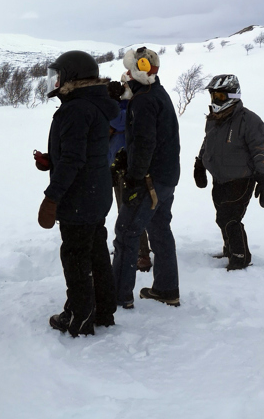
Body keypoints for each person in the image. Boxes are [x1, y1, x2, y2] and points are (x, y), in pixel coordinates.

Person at [35, 50, 119, 337]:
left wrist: (52, 196)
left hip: (79, 196)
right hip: (95, 191)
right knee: (95, 251)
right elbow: (81, 150)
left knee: (75, 256)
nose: (53, 82)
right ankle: (104, 310)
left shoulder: (75, 109)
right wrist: (52, 159)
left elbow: (73, 159)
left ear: (72, 77)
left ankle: (80, 317)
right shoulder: (90, 104)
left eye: (57, 77)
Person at [111, 47, 181, 309]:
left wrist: (134, 177)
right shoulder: (157, 94)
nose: (126, 74)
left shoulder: (143, 101)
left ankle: (118, 296)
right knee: (160, 230)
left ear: (140, 70)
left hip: (150, 181)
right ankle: (166, 289)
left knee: (126, 233)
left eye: (130, 69)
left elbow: (144, 143)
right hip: (166, 177)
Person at [194, 74, 264, 271]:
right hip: (219, 177)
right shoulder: (213, 119)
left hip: (242, 177)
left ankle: (240, 257)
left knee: (230, 217)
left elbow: (259, 151)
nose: (215, 101)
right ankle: (229, 248)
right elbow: (207, 142)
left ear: (233, 96)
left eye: (220, 96)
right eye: (213, 96)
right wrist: (200, 164)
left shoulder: (249, 120)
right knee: (222, 216)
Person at [107, 79, 152, 272]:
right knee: (123, 211)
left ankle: (142, 253)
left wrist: (112, 106)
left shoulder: (132, 108)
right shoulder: (119, 106)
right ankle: (128, 248)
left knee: (130, 211)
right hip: (114, 164)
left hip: (129, 167)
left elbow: (119, 121)